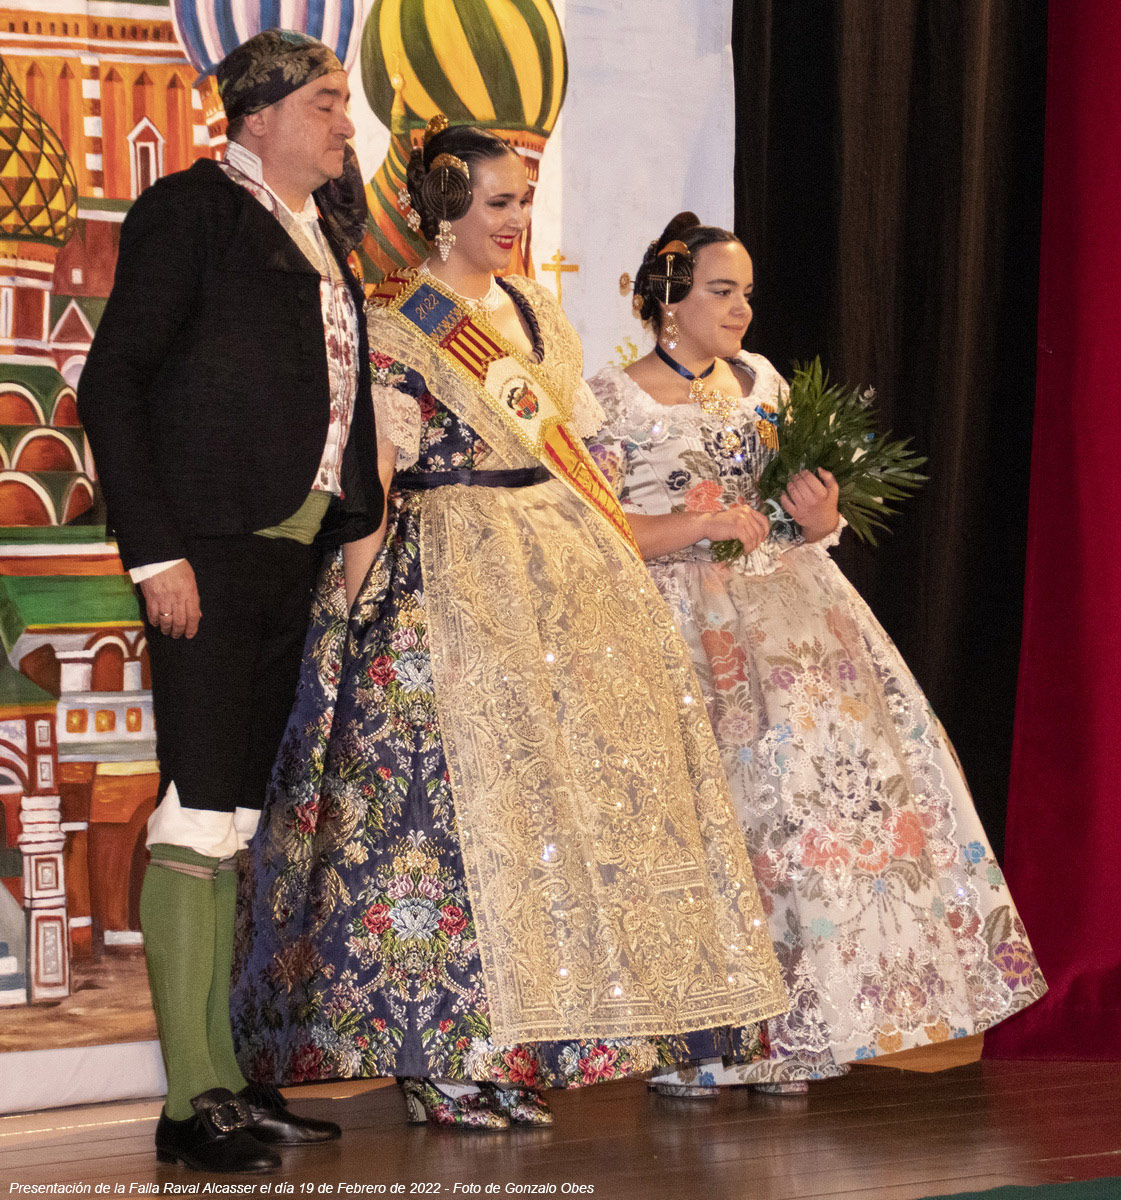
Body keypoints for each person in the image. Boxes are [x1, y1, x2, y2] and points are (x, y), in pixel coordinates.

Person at [232, 124, 787, 1130]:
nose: (516, 220)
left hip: (555, 567)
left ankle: (518, 1049)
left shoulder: (535, 311)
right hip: (446, 573)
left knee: (540, 825)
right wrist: (356, 604)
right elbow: (378, 474)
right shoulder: (398, 322)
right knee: (443, 822)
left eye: (523, 201)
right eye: (497, 203)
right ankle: (442, 1058)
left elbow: (575, 454)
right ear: (443, 211)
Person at [586, 213, 1046, 1097]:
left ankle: (800, 1026)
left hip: (795, 624)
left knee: (807, 823)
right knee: (718, 825)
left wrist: (817, 513)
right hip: (686, 627)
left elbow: (813, 522)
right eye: (722, 291)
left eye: (746, 293)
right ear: (669, 298)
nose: (741, 309)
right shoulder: (609, 400)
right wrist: (700, 525)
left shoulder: (763, 383)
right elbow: (599, 526)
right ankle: (702, 1040)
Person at [76, 29, 383, 1173]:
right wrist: (155, 553)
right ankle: (186, 1103)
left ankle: (224, 1079)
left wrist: (347, 534)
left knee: (234, 824)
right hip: (205, 550)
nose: (344, 123)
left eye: (343, 102)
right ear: (256, 115)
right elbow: (113, 378)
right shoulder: (192, 210)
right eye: (324, 102)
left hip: (284, 557)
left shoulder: (323, 230)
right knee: (196, 815)